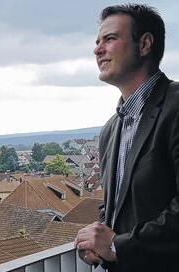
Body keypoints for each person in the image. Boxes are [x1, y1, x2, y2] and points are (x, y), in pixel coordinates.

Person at [75, 4, 179, 272]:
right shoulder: (112, 129)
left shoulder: (175, 106)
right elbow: (115, 207)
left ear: (144, 44)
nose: (98, 50)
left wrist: (116, 246)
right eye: (97, 42)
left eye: (110, 39)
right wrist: (95, 242)